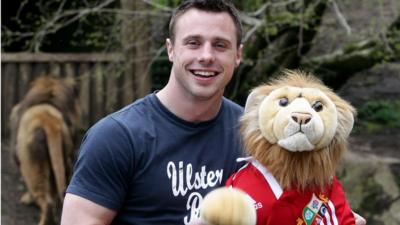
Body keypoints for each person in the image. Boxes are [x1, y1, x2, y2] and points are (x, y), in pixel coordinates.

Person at [61, 1, 366, 225]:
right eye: (193, 43)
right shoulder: (117, 136)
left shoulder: (259, 133)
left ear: (238, 54)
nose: (206, 56)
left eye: (220, 45)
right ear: (171, 50)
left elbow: (299, 206)